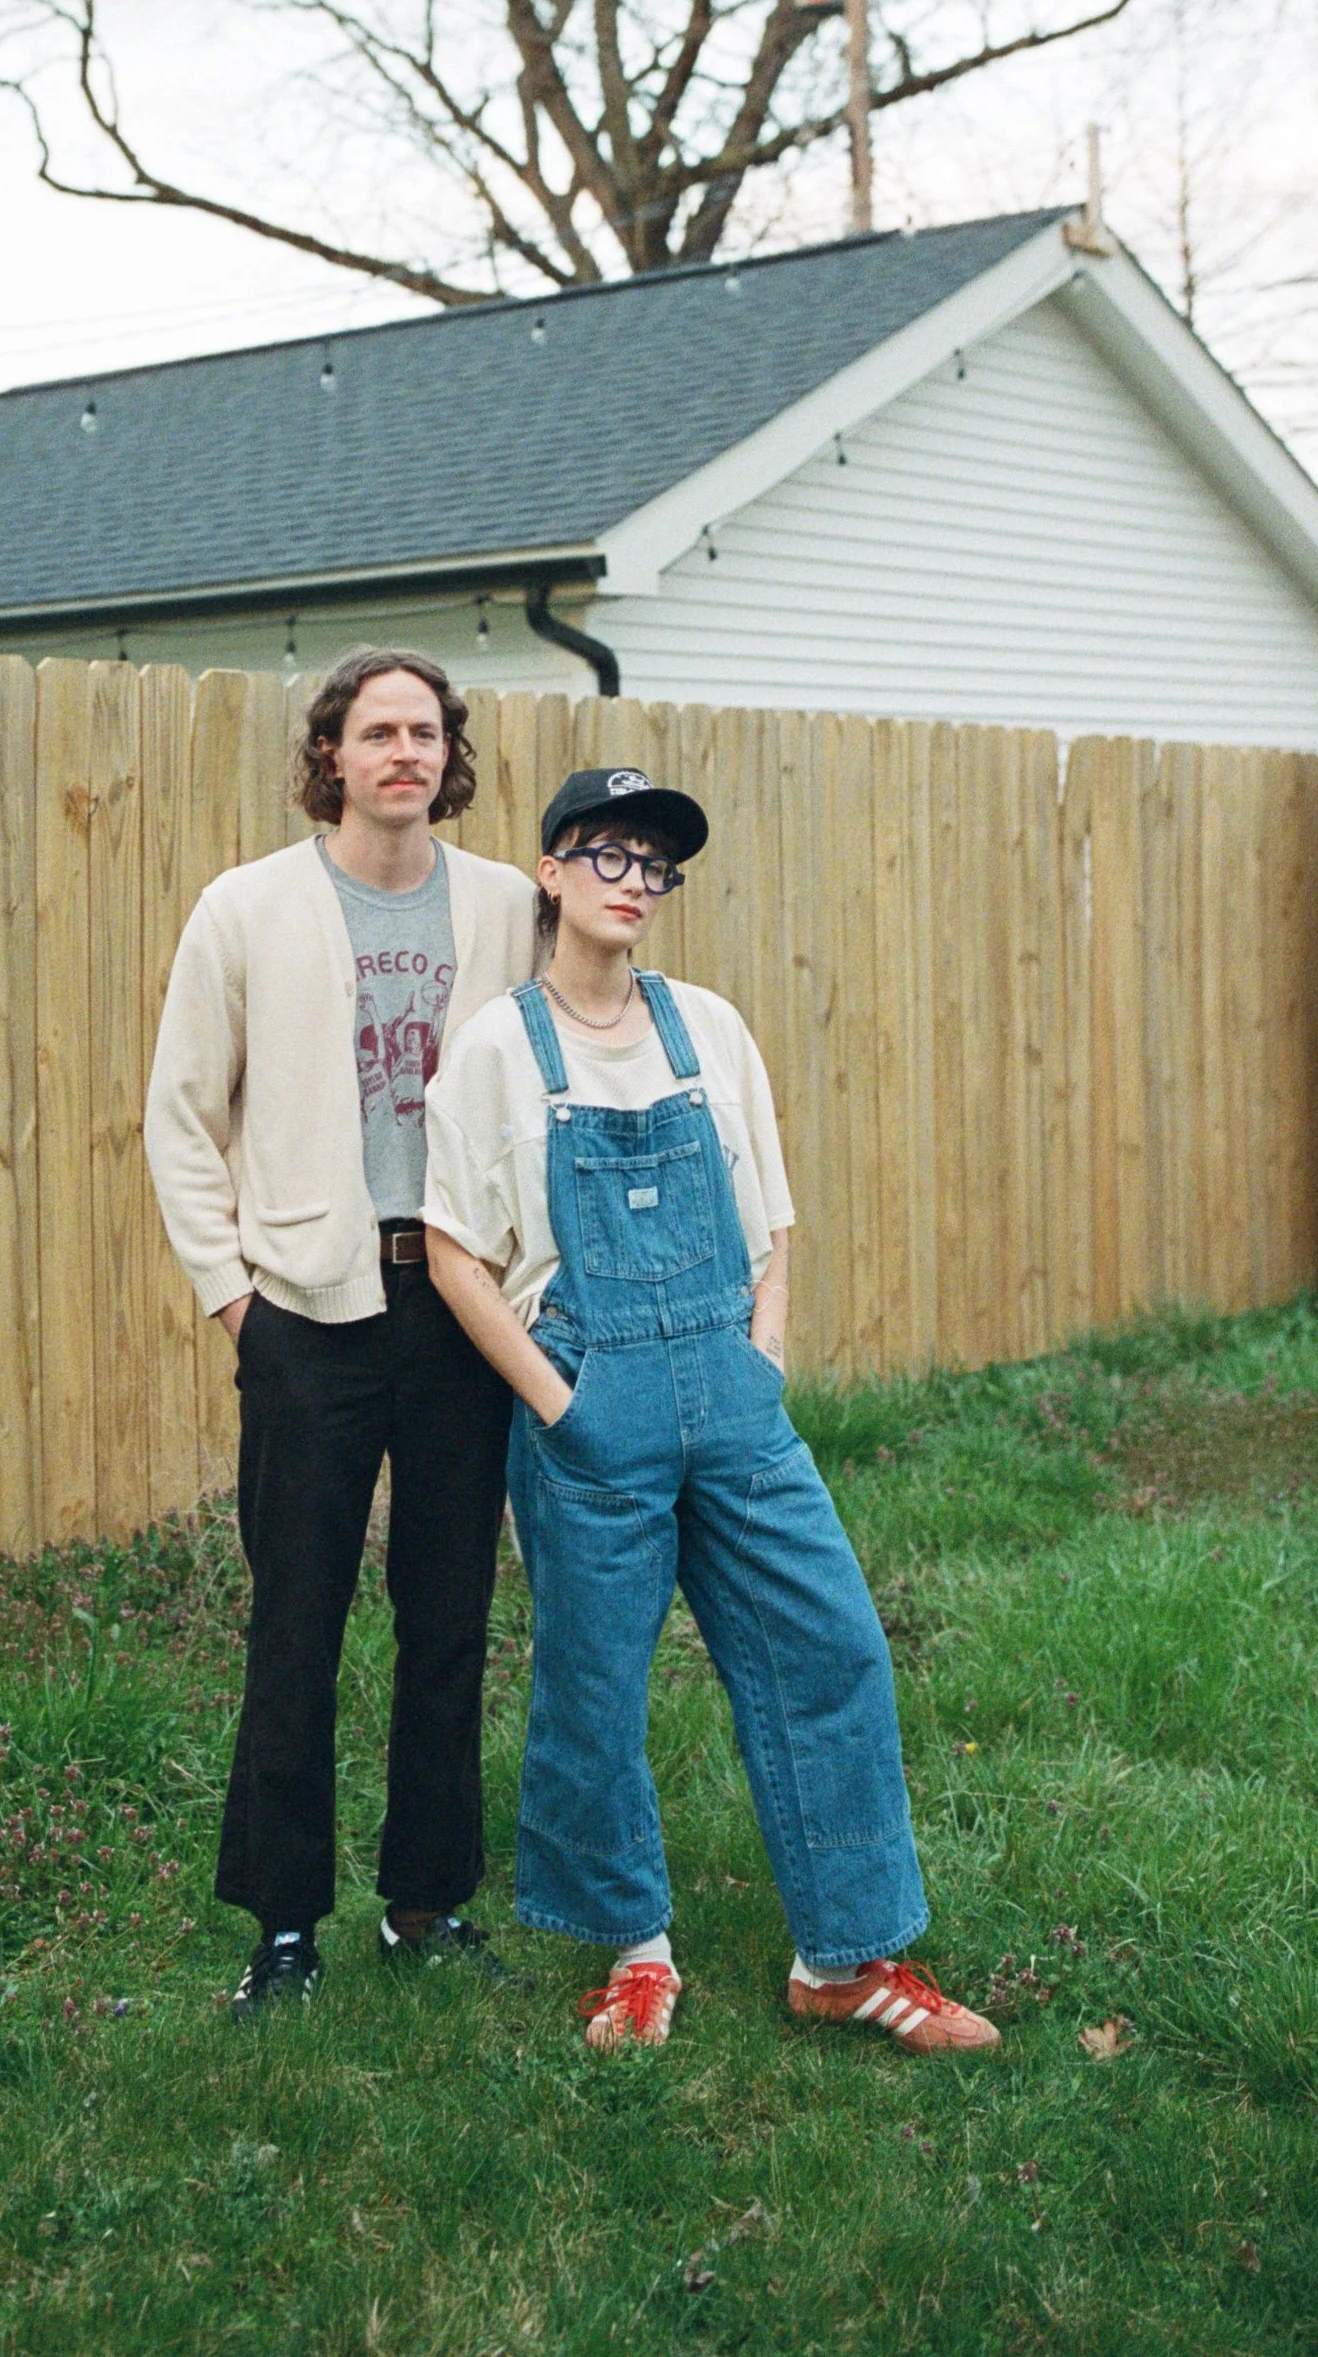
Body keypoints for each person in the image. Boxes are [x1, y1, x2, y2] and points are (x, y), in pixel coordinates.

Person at [423, 765, 999, 2056]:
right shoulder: (499, 1049)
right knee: (595, 1687)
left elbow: (772, 1220)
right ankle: (635, 1953)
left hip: (733, 1402)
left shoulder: (709, 1031)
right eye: (609, 856)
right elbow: (452, 1247)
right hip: (591, 1408)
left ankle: (846, 1960)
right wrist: (557, 1403)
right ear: (553, 871)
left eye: (656, 865)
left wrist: (765, 1357)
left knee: (832, 1644)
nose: (634, 883)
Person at [145, 645, 537, 2015]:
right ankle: (286, 1925)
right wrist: (233, 1298)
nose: (403, 754)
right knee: (295, 1624)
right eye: (377, 732)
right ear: (333, 756)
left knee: (447, 1619)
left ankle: (424, 1904)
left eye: (425, 732)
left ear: (448, 756)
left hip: (454, 1306)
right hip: (307, 1311)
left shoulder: (500, 907)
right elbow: (182, 1115)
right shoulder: (248, 909)